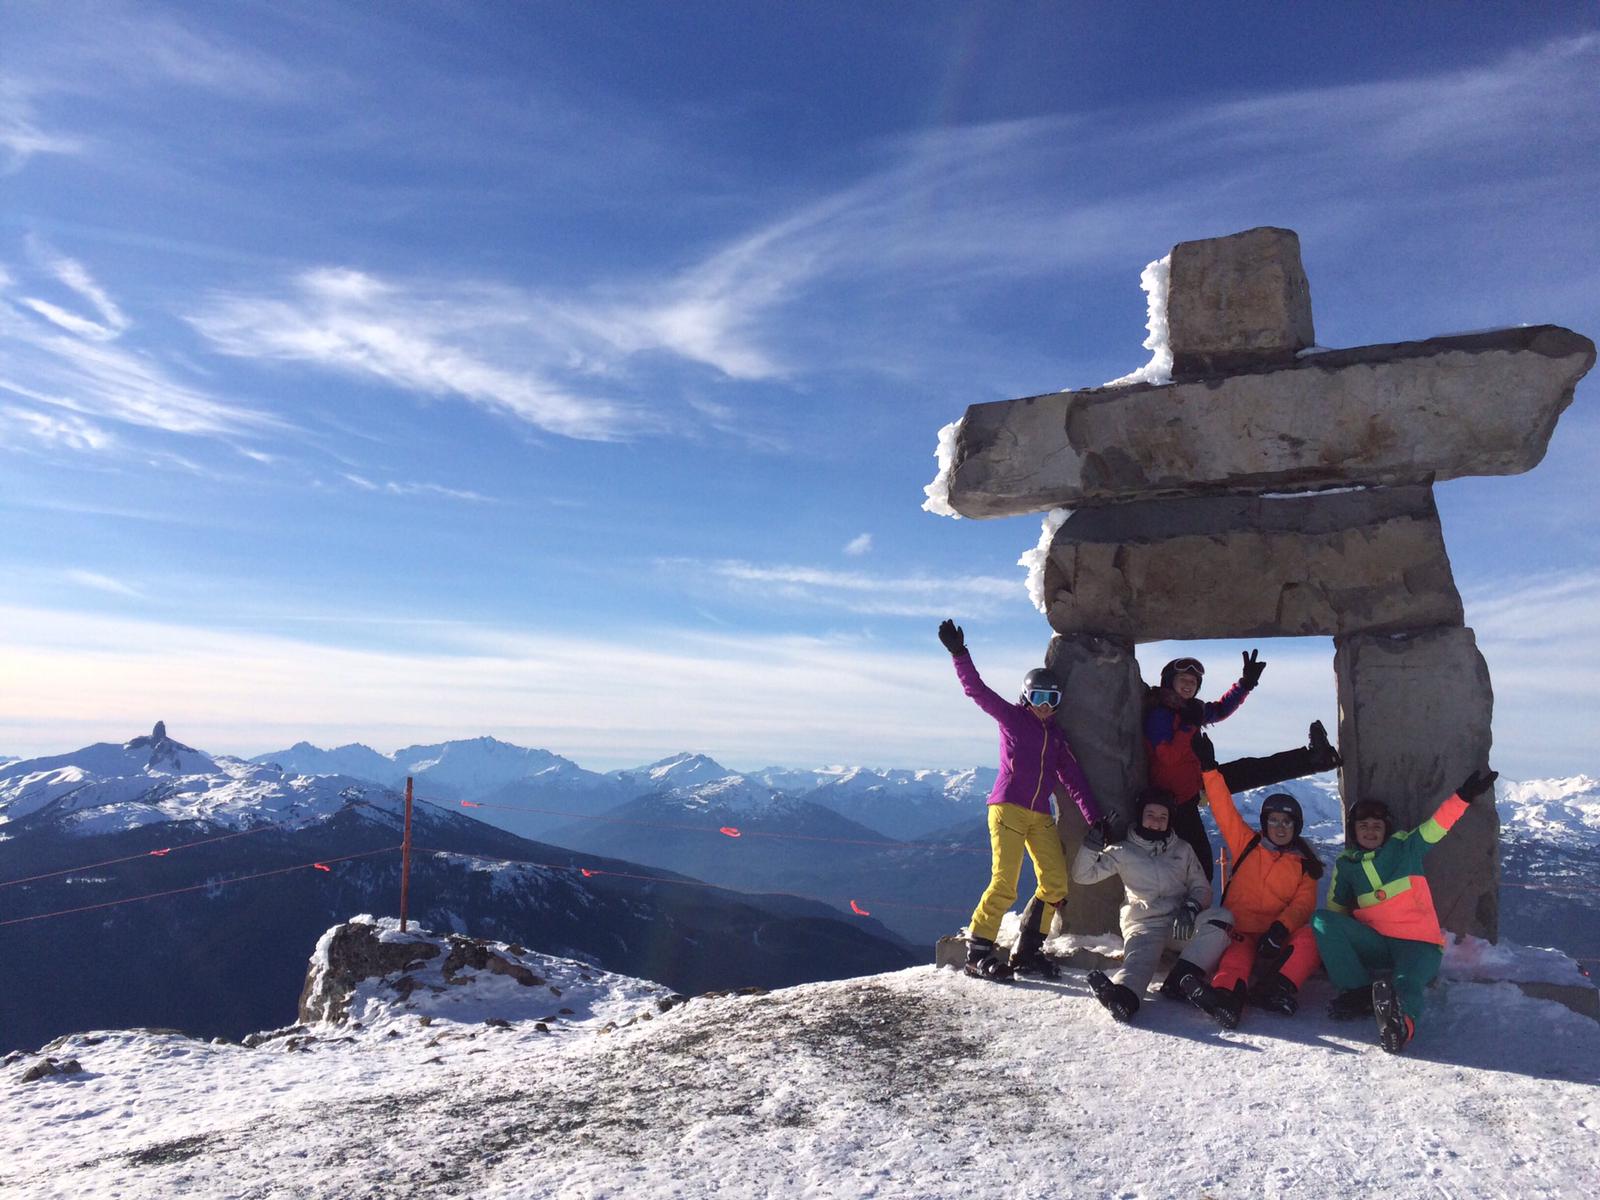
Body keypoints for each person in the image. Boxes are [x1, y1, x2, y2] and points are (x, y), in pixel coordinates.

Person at [938, 619, 1103, 981]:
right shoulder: (1012, 719)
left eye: (1052, 699)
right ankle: (978, 952)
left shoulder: (1057, 739)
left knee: (1056, 883)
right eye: (1039, 698)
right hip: (1007, 809)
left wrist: (1096, 819)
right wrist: (959, 653)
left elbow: (1074, 781)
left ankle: (1028, 950)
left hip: (1040, 814)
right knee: (1005, 883)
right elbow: (977, 691)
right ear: (1027, 697)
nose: (1045, 706)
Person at [1310, 768, 1497, 1054]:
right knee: (1322, 920)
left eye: (1376, 825)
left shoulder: (1405, 847)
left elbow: (1438, 825)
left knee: (1406, 982)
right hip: (1377, 942)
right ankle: (1359, 992)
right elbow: (1335, 914)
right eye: (1363, 826)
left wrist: (1463, 796)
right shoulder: (1346, 865)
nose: (1370, 831)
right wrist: (1331, 952)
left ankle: (1401, 1027)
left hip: (1419, 945)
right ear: (1353, 831)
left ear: (1386, 829)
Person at [1144, 651, 1341, 880]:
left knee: (1252, 769)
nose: (1189, 684)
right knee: (1200, 859)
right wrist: (1188, 729)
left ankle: (1316, 759)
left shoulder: (1191, 710)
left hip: (1196, 781)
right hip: (1175, 800)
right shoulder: (1160, 713)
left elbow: (1219, 710)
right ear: (1170, 681)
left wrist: (1245, 684)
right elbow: (1167, 758)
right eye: (1183, 680)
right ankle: (1195, 907)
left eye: (1193, 681)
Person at [1192, 732, 1323, 1029]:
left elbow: (1302, 906)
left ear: (1296, 826)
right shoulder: (1247, 844)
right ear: (1264, 824)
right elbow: (1223, 808)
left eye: (1286, 821)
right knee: (1236, 959)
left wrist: (1280, 929)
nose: (1279, 827)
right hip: (1242, 932)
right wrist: (1209, 768)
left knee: (1311, 937)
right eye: (1273, 820)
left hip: (1276, 941)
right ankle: (1225, 998)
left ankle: (1276, 990)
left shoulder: (1307, 865)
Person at [1071, 789, 1233, 1023]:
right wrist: (1091, 846)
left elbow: (1202, 888)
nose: (1156, 822)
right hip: (1144, 924)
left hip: (1181, 922)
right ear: (1140, 816)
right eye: (1151, 815)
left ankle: (1180, 980)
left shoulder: (1182, 850)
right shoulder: (1122, 851)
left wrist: (1191, 906)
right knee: (1139, 961)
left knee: (1222, 918)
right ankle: (1123, 998)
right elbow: (1083, 875)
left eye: (1162, 817)